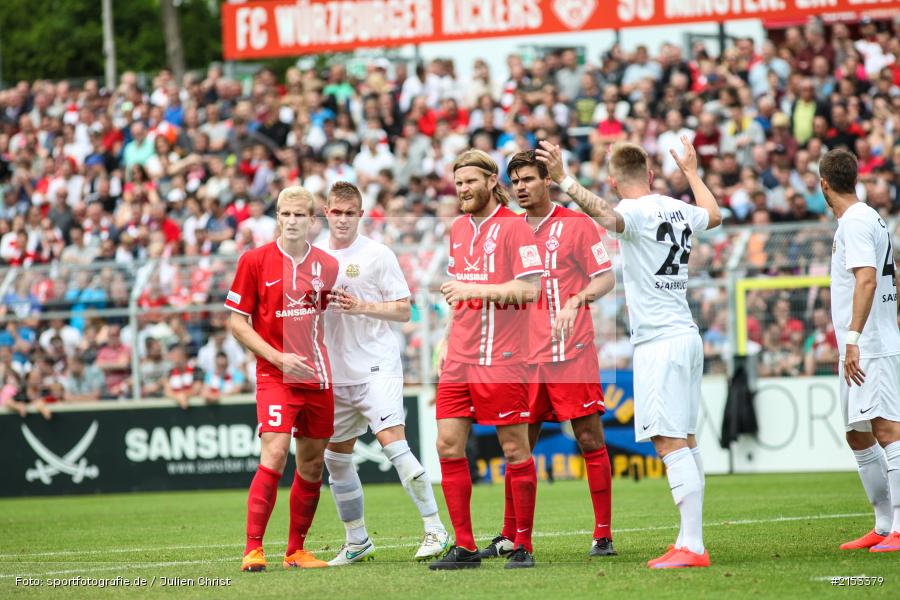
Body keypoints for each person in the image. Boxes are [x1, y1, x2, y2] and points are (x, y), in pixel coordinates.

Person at [535, 138, 722, 568]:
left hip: (659, 340)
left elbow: (606, 215)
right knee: (686, 439)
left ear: (614, 182)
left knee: (668, 441)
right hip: (686, 334)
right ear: (651, 175)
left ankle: (693, 546)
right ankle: (687, 538)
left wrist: (564, 179)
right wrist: (692, 173)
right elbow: (714, 215)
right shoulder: (677, 207)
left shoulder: (633, 212)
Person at [479, 150, 617, 561]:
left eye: (528, 179)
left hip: (571, 352)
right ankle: (510, 536)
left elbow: (605, 278)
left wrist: (577, 300)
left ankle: (603, 535)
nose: (521, 187)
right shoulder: (506, 229)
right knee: (517, 447)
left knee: (589, 438)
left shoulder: (576, 224)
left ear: (547, 180)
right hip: (522, 358)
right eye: (515, 181)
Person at [314, 181, 450, 565]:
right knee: (336, 458)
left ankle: (435, 528)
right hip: (336, 371)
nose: (342, 219)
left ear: (361, 215)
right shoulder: (313, 256)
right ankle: (357, 540)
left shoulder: (377, 254)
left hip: (376, 365)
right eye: (336, 212)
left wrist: (360, 305)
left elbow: (404, 310)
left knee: (394, 445)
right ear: (326, 213)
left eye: (350, 213)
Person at [429, 149, 542, 570]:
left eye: (470, 181)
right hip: (459, 356)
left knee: (514, 449)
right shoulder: (459, 228)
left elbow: (530, 290)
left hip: (502, 357)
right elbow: (459, 291)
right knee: (447, 444)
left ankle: (522, 544)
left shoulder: (516, 227)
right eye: (458, 183)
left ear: (492, 181)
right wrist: (445, 339)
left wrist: (474, 291)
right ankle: (465, 547)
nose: (463, 189)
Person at [225, 186, 339, 571]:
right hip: (275, 374)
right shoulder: (254, 261)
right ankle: (253, 549)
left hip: (318, 378)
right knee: (274, 452)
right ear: (277, 217)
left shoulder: (328, 265)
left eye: (298, 215)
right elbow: (237, 323)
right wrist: (277, 357)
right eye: (284, 214)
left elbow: (324, 320)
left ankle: (296, 551)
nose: (291, 221)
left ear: (312, 219)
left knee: (312, 465)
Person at [820, 148, 900, 553]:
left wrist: (853, 338)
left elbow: (867, 279)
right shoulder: (869, 217)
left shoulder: (854, 221)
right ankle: (883, 524)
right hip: (864, 343)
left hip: (868, 345)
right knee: (858, 434)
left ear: (824, 185)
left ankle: (899, 526)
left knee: (886, 429)